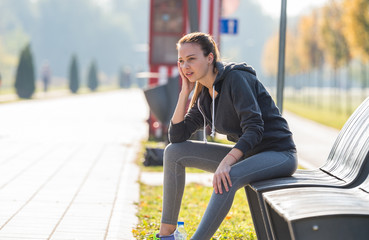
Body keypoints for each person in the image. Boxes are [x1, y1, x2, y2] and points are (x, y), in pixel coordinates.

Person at [155, 32, 297, 240]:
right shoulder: (204, 93)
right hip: (248, 156)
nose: (185, 66)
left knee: (228, 175)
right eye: (181, 61)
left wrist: (227, 162)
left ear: (210, 57)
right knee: (174, 152)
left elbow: (254, 128)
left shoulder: (236, 79)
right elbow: (177, 137)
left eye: (192, 59)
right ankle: (167, 234)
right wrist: (184, 93)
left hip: (278, 154)